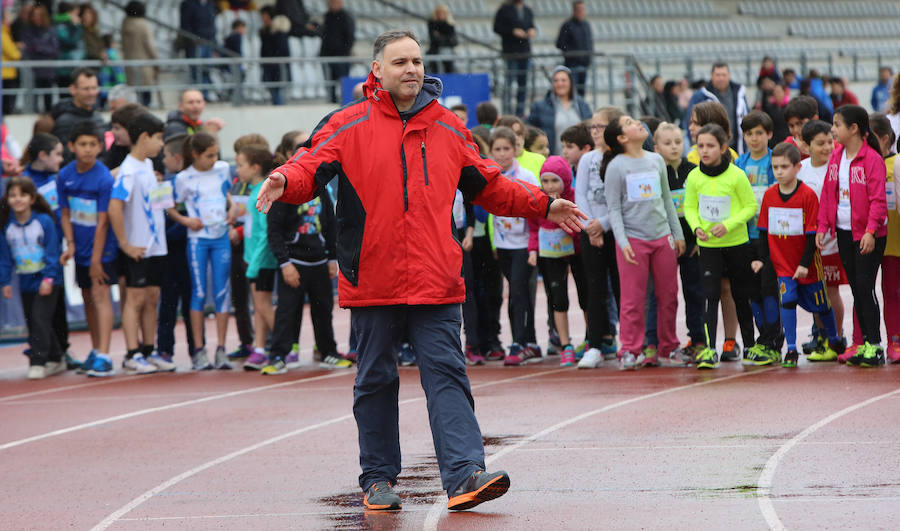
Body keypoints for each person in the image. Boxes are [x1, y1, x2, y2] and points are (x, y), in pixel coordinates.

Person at [254, 30, 585, 512]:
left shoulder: (448, 125)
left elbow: (489, 186)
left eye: (417, 60)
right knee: (374, 380)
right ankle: (378, 480)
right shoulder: (346, 124)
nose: (411, 69)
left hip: (435, 277)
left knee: (448, 374)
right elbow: (310, 165)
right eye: (400, 62)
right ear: (377, 70)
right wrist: (284, 179)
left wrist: (543, 204)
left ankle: (465, 474)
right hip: (372, 277)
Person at [603, 114, 684, 369]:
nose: (636, 123)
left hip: (662, 238)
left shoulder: (656, 160)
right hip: (633, 241)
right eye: (628, 123)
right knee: (633, 299)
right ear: (622, 138)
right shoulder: (616, 166)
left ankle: (668, 347)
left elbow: (666, 200)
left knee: (669, 296)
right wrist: (623, 241)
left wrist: (677, 233)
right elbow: (613, 209)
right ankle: (629, 349)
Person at [756, 142, 842, 368]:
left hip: (807, 264)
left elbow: (812, 234)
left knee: (821, 305)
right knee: (788, 301)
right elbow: (763, 232)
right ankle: (791, 348)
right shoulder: (769, 196)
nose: (780, 172)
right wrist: (763, 260)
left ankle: (834, 339)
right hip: (782, 265)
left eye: (784, 167)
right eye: (775, 167)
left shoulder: (807, 196)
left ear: (797, 167)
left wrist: (804, 264)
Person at [816, 105, 888, 367]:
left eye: (836, 125)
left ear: (854, 128)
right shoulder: (837, 157)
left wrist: (870, 231)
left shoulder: (871, 160)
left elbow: (878, 201)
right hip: (844, 233)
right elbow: (828, 194)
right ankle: (865, 342)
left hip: (868, 235)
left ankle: (875, 345)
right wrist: (823, 226)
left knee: (865, 287)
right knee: (857, 289)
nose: (832, 129)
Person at [683, 123, 757, 369]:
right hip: (710, 247)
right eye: (700, 146)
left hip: (736, 244)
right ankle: (708, 349)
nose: (704, 151)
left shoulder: (736, 175)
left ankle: (748, 345)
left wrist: (728, 225)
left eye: (710, 146)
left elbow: (749, 207)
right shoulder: (694, 176)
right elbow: (689, 207)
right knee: (710, 295)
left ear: (723, 148)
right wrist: (696, 228)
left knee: (740, 294)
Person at [264, 158, 342, 374]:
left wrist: (332, 258)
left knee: (323, 309)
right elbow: (274, 231)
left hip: (319, 260)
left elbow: (330, 224)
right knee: (287, 311)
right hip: (294, 261)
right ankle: (278, 355)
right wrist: (285, 262)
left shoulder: (322, 189)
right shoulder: (283, 190)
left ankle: (328, 352)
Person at [58, 121, 121, 377]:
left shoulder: (104, 178)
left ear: (99, 147)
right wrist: (71, 244)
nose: (87, 149)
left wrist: (96, 258)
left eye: (92, 145)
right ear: (72, 146)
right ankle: (95, 349)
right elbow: (65, 213)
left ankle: (105, 355)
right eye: (82, 144)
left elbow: (103, 222)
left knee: (100, 295)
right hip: (80, 248)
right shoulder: (65, 175)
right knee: (87, 298)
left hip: (102, 248)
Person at [167, 132, 234, 370]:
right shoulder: (183, 178)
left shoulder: (223, 169)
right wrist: (186, 222)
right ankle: (199, 350)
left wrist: (233, 208)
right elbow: (170, 207)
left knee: (221, 292)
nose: (214, 159)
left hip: (221, 237)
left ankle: (222, 349)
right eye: (208, 155)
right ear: (194, 154)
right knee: (198, 292)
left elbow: (227, 195)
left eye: (216, 154)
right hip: (198, 239)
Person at [107, 112, 167, 375]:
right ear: (144, 137)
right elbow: (114, 207)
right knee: (135, 298)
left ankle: (148, 349)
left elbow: (158, 204)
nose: (162, 144)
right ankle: (132, 353)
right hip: (138, 245)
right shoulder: (128, 171)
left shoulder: (147, 166)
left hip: (156, 245)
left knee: (152, 297)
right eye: (159, 138)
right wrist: (125, 244)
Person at [0, 177, 64, 380]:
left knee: (39, 318)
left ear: (32, 199)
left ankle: (38, 361)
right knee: (35, 320)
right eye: (13, 195)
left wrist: (49, 278)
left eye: (22, 195)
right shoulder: (6, 226)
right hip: (25, 281)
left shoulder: (43, 221)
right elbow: (5, 257)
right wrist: (5, 281)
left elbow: (52, 251)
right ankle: (56, 356)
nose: (17, 199)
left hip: (47, 280)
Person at [652, 122, 705, 362]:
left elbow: (702, 207)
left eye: (677, 142)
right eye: (667, 143)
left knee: (695, 292)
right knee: (664, 295)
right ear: (656, 147)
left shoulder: (694, 171)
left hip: (692, 245)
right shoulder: (653, 172)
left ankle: (698, 339)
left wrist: (696, 239)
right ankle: (662, 342)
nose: (674, 147)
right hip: (665, 243)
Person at [574, 107, 622, 368]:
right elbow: (580, 194)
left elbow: (621, 200)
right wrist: (590, 226)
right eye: (592, 127)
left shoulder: (620, 158)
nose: (595, 132)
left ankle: (628, 342)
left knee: (620, 287)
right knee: (594, 289)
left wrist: (602, 225)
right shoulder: (586, 159)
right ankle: (594, 344)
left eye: (600, 127)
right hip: (590, 231)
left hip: (616, 231)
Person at [735, 110, 784, 366]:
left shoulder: (773, 162)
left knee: (768, 288)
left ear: (769, 134)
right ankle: (761, 338)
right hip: (744, 236)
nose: (754, 139)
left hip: (769, 236)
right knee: (751, 290)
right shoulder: (740, 164)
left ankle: (773, 340)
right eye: (749, 134)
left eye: (759, 134)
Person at [489, 126, 541, 365]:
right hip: (503, 245)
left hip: (523, 244)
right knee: (516, 292)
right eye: (497, 149)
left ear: (515, 150)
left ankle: (519, 342)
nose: (501, 154)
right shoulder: (491, 175)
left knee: (518, 293)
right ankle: (529, 341)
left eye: (506, 149)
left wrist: (533, 245)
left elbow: (537, 209)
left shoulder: (527, 177)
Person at [21, 132, 74, 368]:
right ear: (42, 155)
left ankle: (62, 350)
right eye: (58, 154)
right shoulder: (24, 182)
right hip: (30, 254)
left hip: (56, 250)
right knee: (35, 304)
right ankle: (43, 349)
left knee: (57, 299)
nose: (61, 160)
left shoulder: (59, 179)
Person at [798, 120, 848, 360]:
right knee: (814, 291)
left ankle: (837, 337)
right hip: (808, 243)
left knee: (831, 290)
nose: (828, 147)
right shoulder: (801, 169)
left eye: (830, 141)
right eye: (820, 144)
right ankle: (822, 335)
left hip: (833, 241)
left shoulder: (838, 167)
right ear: (806, 146)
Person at [528, 156, 582, 366]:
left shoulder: (573, 198)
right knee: (558, 299)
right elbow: (533, 227)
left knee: (585, 294)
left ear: (566, 181)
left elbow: (580, 227)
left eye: (554, 181)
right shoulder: (540, 201)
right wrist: (533, 250)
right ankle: (566, 345)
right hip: (551, 257)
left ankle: (589, 339)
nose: (549, 186)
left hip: (576, 254)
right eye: (546, 181)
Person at [157, 133, 198, 366]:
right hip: (172, 252)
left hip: (188, 249)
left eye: (165, 156)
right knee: (171, 303)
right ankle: (169, 349)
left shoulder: (190, 181)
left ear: (177, 157)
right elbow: (159, 217)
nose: (162, 161)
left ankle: (189, 349)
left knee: (183, 302)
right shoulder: (162, 185)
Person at [240, 144, 278, 371]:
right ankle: (260, 348)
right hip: (252, 258)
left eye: (241, 165)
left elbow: (265, 232)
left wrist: (255, 262)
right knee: (258, 305)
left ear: (255, 168)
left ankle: (285, 346)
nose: (237, 170)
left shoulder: (261, 193)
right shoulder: (252, 191)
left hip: (261, 260)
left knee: (263, 305)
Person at [869, 113, 900, 362]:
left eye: (871, 139)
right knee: (864, 290)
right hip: (867, 238)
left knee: (892, 292)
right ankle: (864, 340)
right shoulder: (863, 164)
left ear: (885, 139)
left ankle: (895, 341)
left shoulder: (896, 164)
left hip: (893, 241)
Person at [683, 62, 749, 155]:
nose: (721, 78)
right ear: (712, 76)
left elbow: (746, 116)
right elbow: (690, 120)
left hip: (737, 145)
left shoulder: (739, 94)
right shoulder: (701, 96)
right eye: (718, 75)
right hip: (710, 146)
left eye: (724, 75)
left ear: (729, 75)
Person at [526, 66, 592, 156]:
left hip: (578, 161)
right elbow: (530, 131)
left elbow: (590, 129)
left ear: (570, 83)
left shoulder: (582, 105)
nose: (560, 84)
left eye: (563, 80)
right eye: (556, 80)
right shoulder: (540, 107)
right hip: (552, 158)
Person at [50, 68, 104, 163]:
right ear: (73, 89)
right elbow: (64, 157)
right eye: (86, 89)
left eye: (94, 88)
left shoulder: (98, 117)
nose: (91, 93)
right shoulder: (64, 121)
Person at [493, 0, 535, 116]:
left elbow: (531, 24)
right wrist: (512, 31)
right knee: (509, 84)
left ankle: (520, 112)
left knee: (523, 85)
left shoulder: (527, 10)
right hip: (511, 52)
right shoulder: (504, 9)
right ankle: (508, 112)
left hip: (524, 52)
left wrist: (532, 30)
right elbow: (497, 27)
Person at [314, 0, 355, 103]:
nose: (331, 4)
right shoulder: (328, 16)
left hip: (341, 56)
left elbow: (349, 36)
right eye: (330, 2)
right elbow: (325, 34)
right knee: (330, 81)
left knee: (342, 81)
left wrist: (344, 51)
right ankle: (332, 101)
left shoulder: (346, 17)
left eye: (333, 2)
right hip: (328, 55)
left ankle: (345, 102)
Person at [22, 4, 60, 113]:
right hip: (33, 70)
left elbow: (54, 49)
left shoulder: (50, 30)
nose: (36, 17)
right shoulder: (28, 30)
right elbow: (28, 48)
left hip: (48, 69)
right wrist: (42, 47)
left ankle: (48, 115)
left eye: (39, 15)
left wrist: (37, 47)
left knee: (48, 97)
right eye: (34, 15)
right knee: (33, 98)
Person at [121, 1, 158, 107]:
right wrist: (156, 61)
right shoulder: (142, 24)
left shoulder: (125, 23)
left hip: (129, 61)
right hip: (144, 61)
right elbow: (150, 45)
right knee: (146, 91)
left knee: (134, 92)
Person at [179, 0, 216, 96]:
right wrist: (194, 39)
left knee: (206, 70)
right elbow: (185, 24)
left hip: (209, 41)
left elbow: (212, 24)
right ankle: (199, 94)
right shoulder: (188, 4)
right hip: (196, 43)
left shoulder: (209, 4)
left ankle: (205, 94)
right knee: (197, 70)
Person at [555, 1, 591, 96]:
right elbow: (560, 43)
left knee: (581, 92)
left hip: (584, 65)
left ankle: (580, 110)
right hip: (572, 65)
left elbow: (589, 43)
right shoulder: (567, 25)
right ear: (574, 11)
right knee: (572, 92)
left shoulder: (586, 25)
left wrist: (588, 58)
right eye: (579, 10)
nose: (581, 12)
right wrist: (573, 54)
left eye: (583, 9)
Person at [258, 6, 291, 106]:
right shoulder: (264, 31)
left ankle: (279, 106)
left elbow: (282, 51)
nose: (262, 18)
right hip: (269, 66)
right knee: (273, 89)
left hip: (277, 67)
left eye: (263, 15)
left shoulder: (278, 32)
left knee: (277, 89)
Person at [52, 2, 84, 91]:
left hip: (69, 65)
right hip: (65, 67)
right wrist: (77, 26)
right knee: (67, 93)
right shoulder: (61, 25)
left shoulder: (63, 24)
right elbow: (71, 42)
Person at [2, 8, 22, 116]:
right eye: (7, 18)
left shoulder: (5, 33)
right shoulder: (3, 34)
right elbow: (14, 54)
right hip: (6, 73)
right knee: (7, 106)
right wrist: (18, 48)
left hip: (6, 72)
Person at [426, 4, 457, 74]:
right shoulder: (432, 24)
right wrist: (447, 38)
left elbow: (454, 41)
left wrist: (440, 37)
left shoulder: (450, 25)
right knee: (433, 62)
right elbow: (434, 40)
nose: (441, 15)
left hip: (448, 51)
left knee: (447, 57)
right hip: (434, 51)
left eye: (443, 13)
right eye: (439, 13)